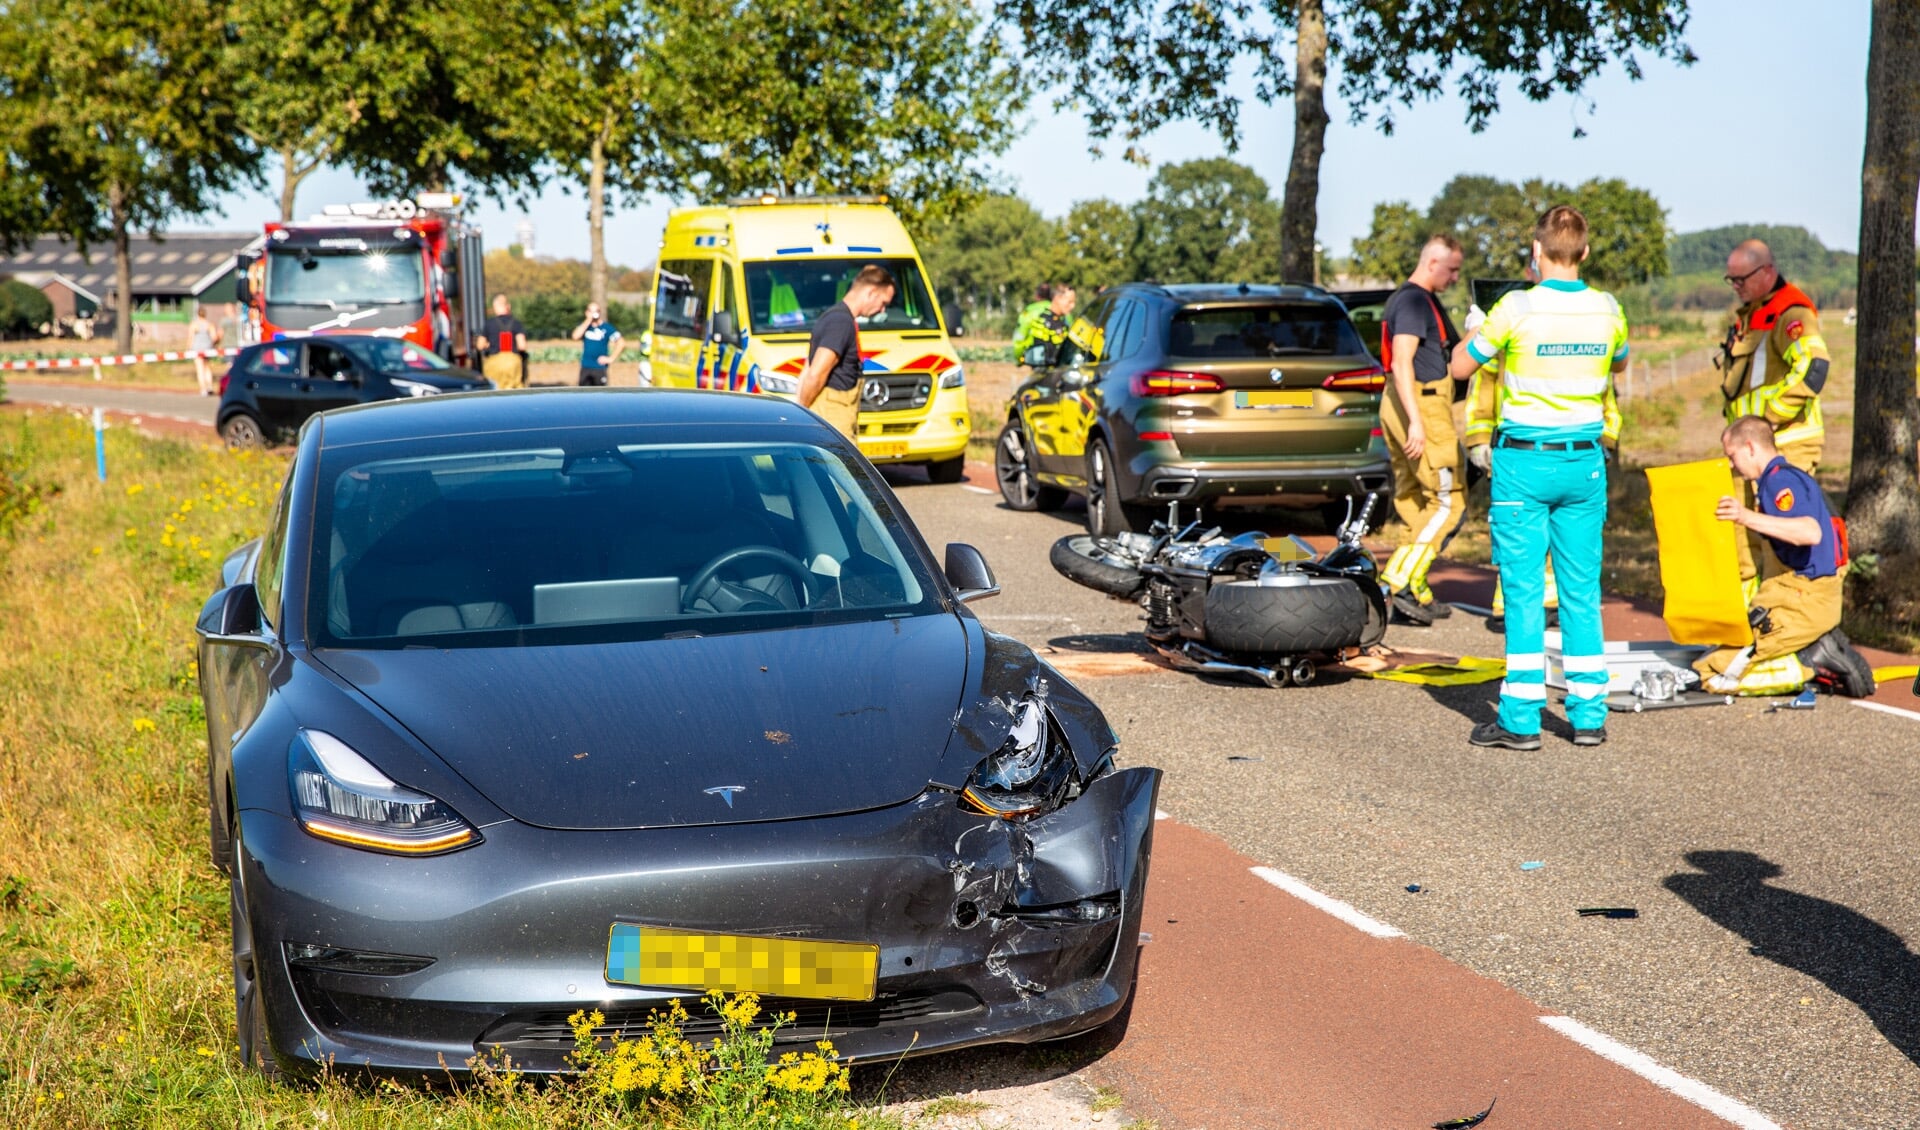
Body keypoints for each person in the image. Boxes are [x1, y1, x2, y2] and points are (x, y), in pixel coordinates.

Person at [1449, 205, 1627, 750]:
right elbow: (1618, 365)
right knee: (1580, 591)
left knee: (1524, 593)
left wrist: (1477, 329)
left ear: (1536, 250)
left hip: (1524, 461)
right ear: (1586, 252)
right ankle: (1589, 713)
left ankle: (1521, 719)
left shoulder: (1514, 309)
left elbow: (1460, 367)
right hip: (1584, 460)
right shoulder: (1608, 309)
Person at [1463, 265, 1624, 632]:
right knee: (1536, 543)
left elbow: (1604, 393)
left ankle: (1539, 608)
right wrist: (1477, 440)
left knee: (1534, 535)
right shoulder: (1517, 322)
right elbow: (1482, 392)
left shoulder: (1516, 318)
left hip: (1530, 449)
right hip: (1530, 444)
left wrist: (1609, 438)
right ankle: (1519, 608)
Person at [1695, 417, 1875, 697]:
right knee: (1721, 652)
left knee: (1714, 673)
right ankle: (1806, 647)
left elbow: (1810, 532)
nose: (1731, 464)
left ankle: (1810, 663)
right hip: (1799, 594)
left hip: (1806, 599)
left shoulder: (1781, 482)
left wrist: (1745, 517)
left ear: (1751, 447)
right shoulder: (1780, 478)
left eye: (1732, 456)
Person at [1717, 239, 1830, 596]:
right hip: (1749, 451)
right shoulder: (1751, 315)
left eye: (1742, 279)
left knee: (1782, 540)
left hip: (1784, 446)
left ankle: (1792, 622)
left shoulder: (1791, 313)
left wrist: (1766, 419)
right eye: (1730, 280)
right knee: (1745, 539)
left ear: (1767, 272)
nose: (1736, 287)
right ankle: (1751, 617)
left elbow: (1814, 367)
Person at [1378, 234, 1466, 625]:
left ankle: (1416, 588)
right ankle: (1398, 581)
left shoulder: (1408, 298)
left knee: (1414, 502)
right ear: (1432, 263)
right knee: (1449, 502)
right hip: (1422, 405)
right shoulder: (1414, 301)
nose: (1455, 278)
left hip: (1399, 404)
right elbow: (1402, 361)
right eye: (1452, 270)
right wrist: (1417, 420)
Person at [796, 264, 896, 438]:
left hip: (829, 421)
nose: (882, 310)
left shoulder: (833, 317)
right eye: (883, 303)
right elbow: (815, 374)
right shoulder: (841, 322)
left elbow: (807, 368)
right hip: (832, 422)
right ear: (871, 293)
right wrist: (800, 415)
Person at [1013, 283, 1075, 363]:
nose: (1072, 306)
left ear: (1036, 296)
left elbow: (1019, 338)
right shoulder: (1065, 314)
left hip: (1039, 362)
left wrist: (1020, 358)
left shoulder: (1028, 311)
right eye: (1070, 302)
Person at [479, 295, 528, 389]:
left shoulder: (489, 324)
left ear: (495, 307)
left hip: (494, 362)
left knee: (495, 391)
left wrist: (488, 344)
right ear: (508, 306)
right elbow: (522, 346)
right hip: (513, 362)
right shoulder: (516, 323)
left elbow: (480, 345)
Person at [571, 302, 624, 386]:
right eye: (591, 311)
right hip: (586, 367)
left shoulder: (606, 328)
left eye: (596, 311)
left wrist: (611, 358)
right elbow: (575, 336)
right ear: (586, 312)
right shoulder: (585, 327)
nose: (594, 313)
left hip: (599, 368)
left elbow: (621, 343)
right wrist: (588, 320)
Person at [187, 308, 222, 396]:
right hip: (207, 348)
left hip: (197, 348)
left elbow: (190, 337)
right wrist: (213, 345)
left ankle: (203, 389)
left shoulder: (194, 324)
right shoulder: (209, 324)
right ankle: (209, 386)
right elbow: (214, 337)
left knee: (200, 368)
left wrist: (188, 348)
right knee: (207, 367)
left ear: (198, 314)